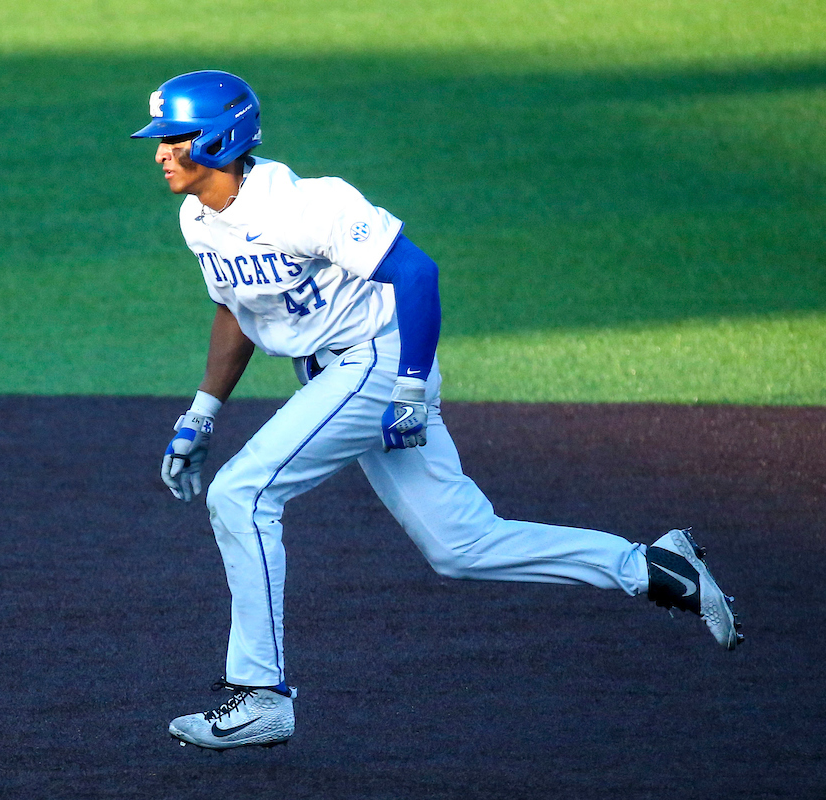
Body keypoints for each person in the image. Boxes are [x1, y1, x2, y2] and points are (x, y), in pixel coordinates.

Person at [131, 70, 742, 751]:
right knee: (461, 545)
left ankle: (262, 695)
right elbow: (237, 310)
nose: (160, 153)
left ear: (219, 139)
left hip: (381, 363)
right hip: (339, 375)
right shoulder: (198, 219)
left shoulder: (307, 205)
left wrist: (410, 388)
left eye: (174, 139)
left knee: (241, 494)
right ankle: (652, 568)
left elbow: (417, 273)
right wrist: (202, 414)